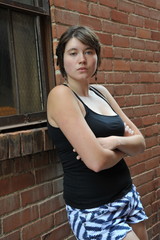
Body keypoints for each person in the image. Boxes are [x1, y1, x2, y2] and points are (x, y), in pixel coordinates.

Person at [47, 25, 148, 240]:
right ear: (61, 60)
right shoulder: (61, 96)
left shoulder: (101, 92)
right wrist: (124, 148)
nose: (81, 59)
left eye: (88, 52)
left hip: (127, 194)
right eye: (73, 53)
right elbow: (96, 162)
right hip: (94, 209)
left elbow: (140, 142)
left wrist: (111, 141)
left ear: (97, 58)